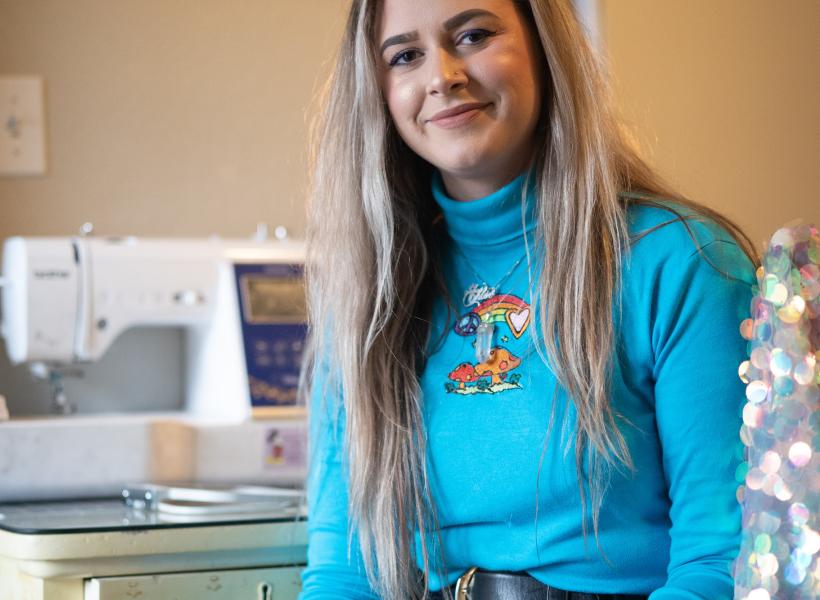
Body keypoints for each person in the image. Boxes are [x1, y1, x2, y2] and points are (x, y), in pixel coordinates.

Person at [299, 1, 757, 599]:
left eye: (473, 35)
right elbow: (342, 572)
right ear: (379, 91)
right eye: (405, 55)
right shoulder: (369, 295)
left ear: (544, 49)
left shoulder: (683, 262)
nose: (441, 76)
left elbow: (720, 561)